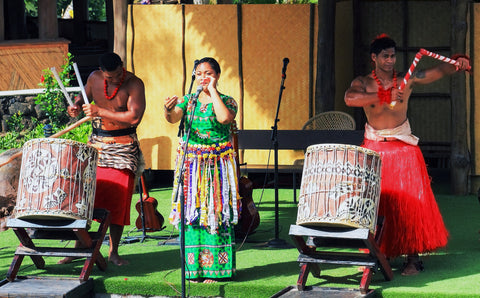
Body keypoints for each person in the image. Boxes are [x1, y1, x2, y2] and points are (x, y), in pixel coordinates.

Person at [344, 34, 470, 275]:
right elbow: (350, 98)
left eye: (393, 56)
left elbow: (435, 73)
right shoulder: (363, 82)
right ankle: (380, 253)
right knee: (376, 204)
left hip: (404, 149)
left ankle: (413, 259)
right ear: (374, 57)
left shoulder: (405, 80)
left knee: (409, 206)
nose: (391, 60)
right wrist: (383, 96)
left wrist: (456, 63)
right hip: (375, 150)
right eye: (385, 56)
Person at [61, 52, 146, 266]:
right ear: (102, 72)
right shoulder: (94, 78)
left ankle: (113, 252)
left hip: (123, 147)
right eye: (109, 77)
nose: (114, 79)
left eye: (118, 74)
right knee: (86, 198)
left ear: (122, 67)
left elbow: (134, 117)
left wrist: (100, 111)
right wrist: (76, 106)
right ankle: (79, 247)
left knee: (117, 201)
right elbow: (82, 98)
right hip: (96, 145)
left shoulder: (134, 84)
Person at [164, 57, 239, 283]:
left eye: (208, 73)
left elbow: (225, 118)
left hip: (216, 168)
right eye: (199, 73)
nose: (203, 77)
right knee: (192, 213)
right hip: (192, 167)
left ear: (217, 75)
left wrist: (212, 90)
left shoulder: (227, 100)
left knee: (214, 213)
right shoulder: (189, 100)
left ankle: (217, 270)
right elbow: (172, 118)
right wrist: (167, 110)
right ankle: (193, 269)